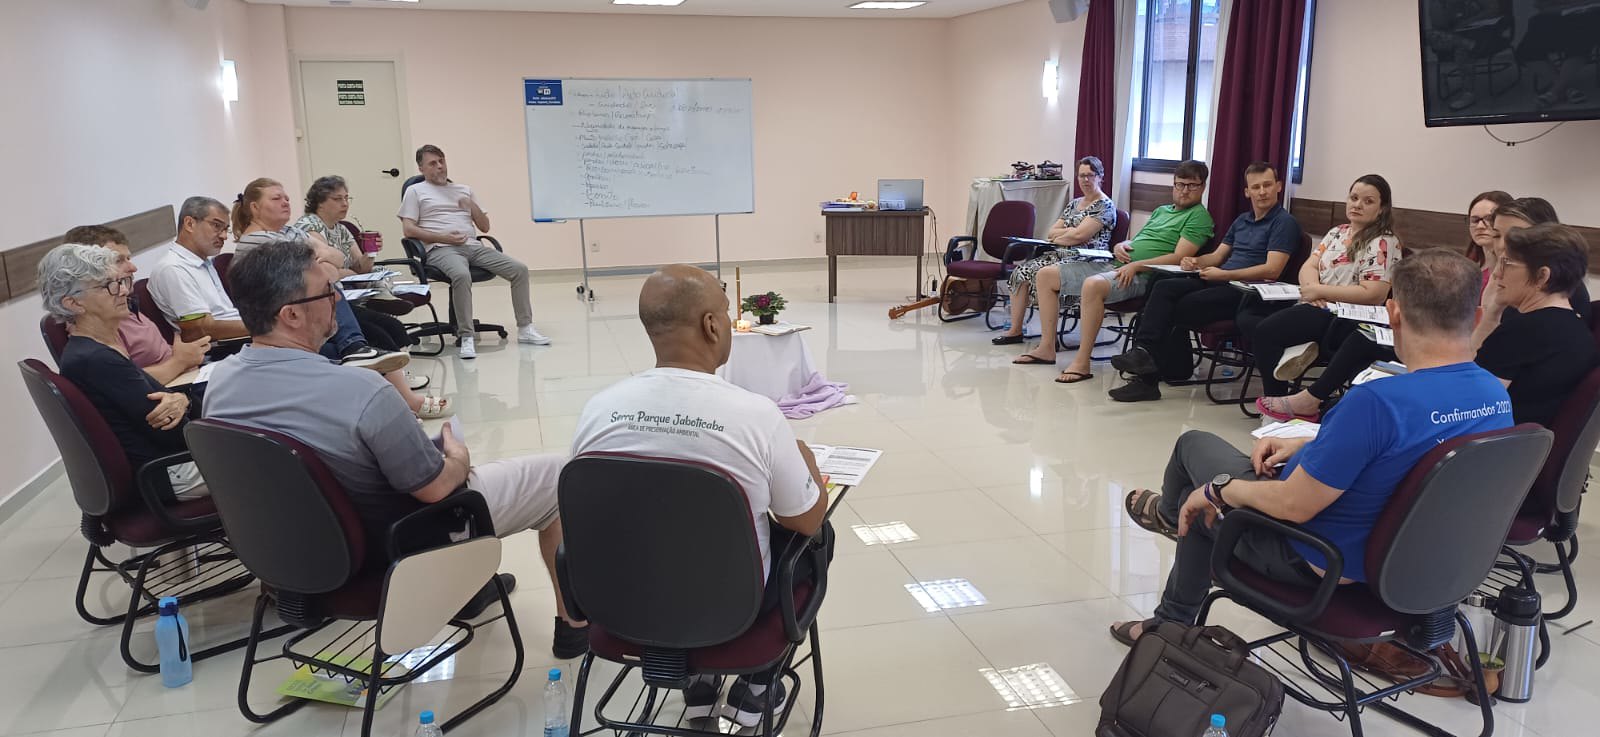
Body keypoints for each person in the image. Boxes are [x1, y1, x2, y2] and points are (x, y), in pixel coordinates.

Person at [201, 236, 587, 659]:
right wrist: (458, 457)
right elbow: (436, 488)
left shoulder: (220, 384)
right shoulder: (362, 390)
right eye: (327, 292)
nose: (337, 299)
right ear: (291, 314)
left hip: (289, 553)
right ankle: (574, 627)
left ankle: (470, 591)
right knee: (559, 477)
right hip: (397, 548)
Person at [1110, 249, 1513, 643]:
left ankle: (1168, 618)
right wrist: (1312, 443)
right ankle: (1172, 519)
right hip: (1417, 562)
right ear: (1477, 317)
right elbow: (1415, 451)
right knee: (1208, 480)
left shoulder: (1377, 402)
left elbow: (1293, 506)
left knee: (1195, 471)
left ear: (1393, 313)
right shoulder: (1494, 395)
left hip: (1322, 560)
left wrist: (1219, 491)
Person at [570, 264, 833, 728]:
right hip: (734, 608)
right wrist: (806, 463)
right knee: (819, 539)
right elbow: (806, 521)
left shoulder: (598, 410)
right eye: (727, 313)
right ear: (712, 325)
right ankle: (756, 686)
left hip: (618, 602)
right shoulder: (756, 416)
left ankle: (699, 682)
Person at [1255, 193, 1561, 422]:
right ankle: (1325, 400)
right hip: (1443, 340)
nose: (1485, 228)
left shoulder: (1515, 290)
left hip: (1448, 347)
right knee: (1266, 320)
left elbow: (1483, 386)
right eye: (1476, 220)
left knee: (1358, 340)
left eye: (1492, 224)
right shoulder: (1476, 265)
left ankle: (1320, 400)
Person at [1106, 162, 1302, 400]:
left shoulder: (1284, 222)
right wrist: (1195, 261)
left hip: (1248, 291)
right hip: (1222, 279)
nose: (1262, 192)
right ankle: (1144, 354)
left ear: (1278, 187)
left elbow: (1272, 270)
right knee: (1163, 284)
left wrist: (1224, 274)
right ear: (1247, 191)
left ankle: (1149, 375)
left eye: (1267, 185)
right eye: (1256, 187)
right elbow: (1217, 257)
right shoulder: (1242, 220)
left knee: (1170, 308)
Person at [149, 195, 405, 373]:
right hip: (229, 348)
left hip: (250, 333)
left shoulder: (203, 263)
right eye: (216, 226)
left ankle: (356, 349)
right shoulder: (175, 269)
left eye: (226, 228)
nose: (224, 236)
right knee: (336, 346)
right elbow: (198, 330)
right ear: (189, 223)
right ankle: (355, 353)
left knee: (338, 307)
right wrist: (268, 325)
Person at [1012, 160, 1215, 383]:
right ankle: (1046, 347)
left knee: (1093, 285)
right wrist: (1120, 245)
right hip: (1115, 263)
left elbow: (1178, 257)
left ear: (1203, 187)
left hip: (1145, 275)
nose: (1184, 190)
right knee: (1045, 275)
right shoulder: (1161, 211)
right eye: (1180, 184)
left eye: (1191, 185)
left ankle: (1082, 362)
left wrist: (1136, 265)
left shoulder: (1198, 217)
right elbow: (1136, 240)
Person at [39, 244, 207, 501]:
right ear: (73, 303)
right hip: (168, 471)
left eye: (120, 282)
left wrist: (181, 400)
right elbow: (173, 433)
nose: (124, 291)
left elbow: (166, 408)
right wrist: (185, 403)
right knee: (269, 456)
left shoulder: (99, 348)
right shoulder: (96, 361)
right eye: (108, 286)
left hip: (167, 463)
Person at [1237, 174, 1401, 400]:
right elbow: (1309, 266)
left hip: (1345, 315)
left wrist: (1320, 292)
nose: (1357, 205)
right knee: (1249, 314)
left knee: (1266, 332)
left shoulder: (1384, 242)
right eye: (1354, 198)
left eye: (1368, 201)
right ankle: (1300, 349)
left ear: (1382, 209)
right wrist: (1313, 289)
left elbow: (1373, 294)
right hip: (1316, 303)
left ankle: (1277, 402)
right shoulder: (1337, 232)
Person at [399, 144, 549, 358]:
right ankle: (466, 336)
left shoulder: (463, 190)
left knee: (519, 270)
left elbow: (485, 227)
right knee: (461, 274)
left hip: (473, 246)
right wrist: (444, 238)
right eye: (433, 163)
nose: (440, 166)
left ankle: (525, 328)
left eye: (442, 161)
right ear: (421, 168)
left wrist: (471, 205)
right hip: (441, 248)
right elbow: (408, 229)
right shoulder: (415, 191)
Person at [1474, 223, 1598, 427]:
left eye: (1507, 263)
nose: (1497, 274)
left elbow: (1468, 405)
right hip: (1530, 444)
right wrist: (1494, 310)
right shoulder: (1581, 333)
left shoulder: (1520, 332)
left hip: (1495, 442)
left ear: (1542, 276)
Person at [991, 156, 1118, 347]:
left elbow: (1080, 236)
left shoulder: (1105, 205)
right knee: (1021, 272)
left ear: (1100, 177)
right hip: (1059, 253)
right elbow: (1052, 233)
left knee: (1045, 275)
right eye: (1081, 175)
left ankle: (1048, 340)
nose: (1085, 180)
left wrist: (1068, 234)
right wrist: (1070, 233)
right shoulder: (1074, 204)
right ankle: (1015, 330)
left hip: (1086, 260)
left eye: (1090, 175)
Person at [61, 224, 208, 384]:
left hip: (188, 376)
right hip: (171, 388)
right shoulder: (97, 318)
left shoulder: (125, 302)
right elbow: (124, 379)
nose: (133, 268)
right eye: (118, 260)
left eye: (128, 258)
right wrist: (180, 362)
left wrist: (184, 355)